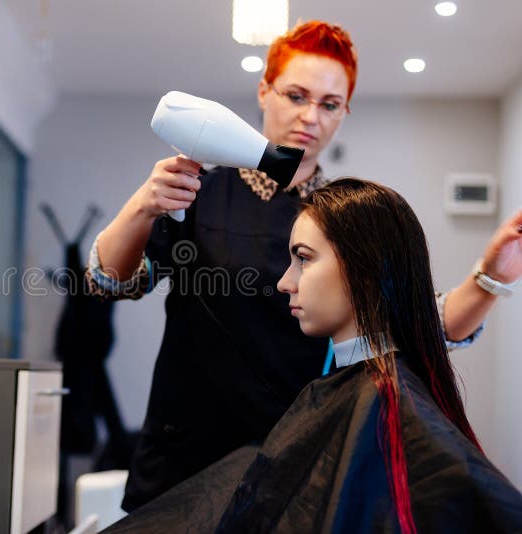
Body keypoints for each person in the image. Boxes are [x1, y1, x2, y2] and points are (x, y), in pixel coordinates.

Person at [87, 20, 522, 511]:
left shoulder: (347, 216)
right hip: (185, 458)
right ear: (264, 92)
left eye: (329, 104)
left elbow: (422, 320)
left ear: (344, 112)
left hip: (288, 457)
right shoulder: (199, 193)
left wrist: (492, 277)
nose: (311, 116)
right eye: (297, 95)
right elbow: (108, 282)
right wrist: (143, 206)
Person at [216, 178, 522, 533]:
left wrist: (492, 277)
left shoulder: (388, 405)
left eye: (303, 259)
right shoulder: (367, 390)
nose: (285, 281)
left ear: (365, 271)